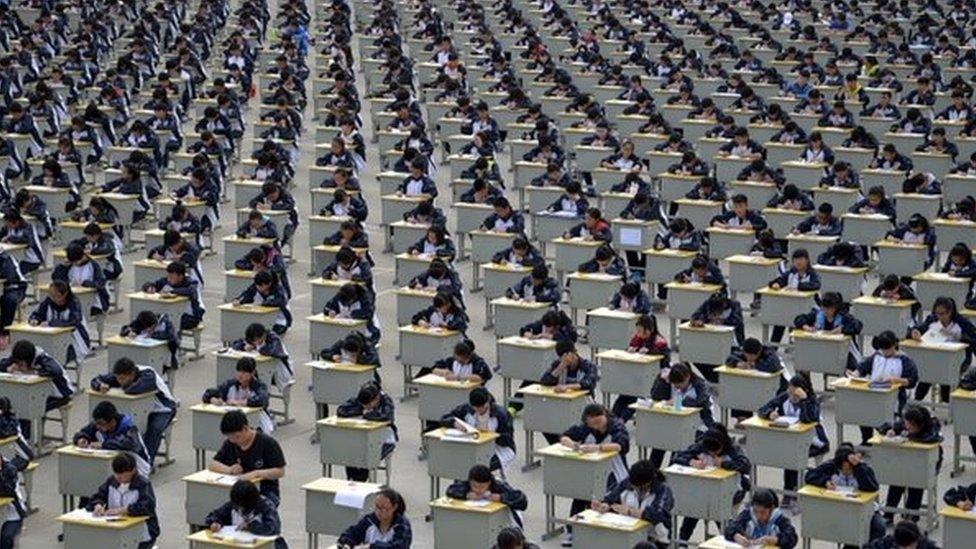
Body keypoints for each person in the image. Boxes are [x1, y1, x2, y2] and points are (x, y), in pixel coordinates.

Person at [559, 404, 630, 547]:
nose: (596, 427)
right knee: (580, 496)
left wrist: (597, 448)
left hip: (614, 471)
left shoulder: (617, 426)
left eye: (599, 422)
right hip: (591, 471)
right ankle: (573, 530)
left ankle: (610, 535)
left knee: (610, 502)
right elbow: (565, 435)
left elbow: (621, 445)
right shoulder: (586, 428)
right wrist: (572, 444)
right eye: (592, 424)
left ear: (604, 414)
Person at [91, 358, 177, 465]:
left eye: (123, 378)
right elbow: (96, 379)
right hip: (139, 407)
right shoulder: (120, 375)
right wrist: (99, 385)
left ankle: (147, 461)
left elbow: (135, 389)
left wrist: (118, 385)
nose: (120, 382)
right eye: (118, 379)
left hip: (163, 408)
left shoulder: (148, 373)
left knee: (154, 428)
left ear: (132, 374)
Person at [672, 425, 751, 541]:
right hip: (704, 490)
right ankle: (683, 540)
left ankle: (730, 539)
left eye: (716, 451)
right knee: (695, 507)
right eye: (710, 452)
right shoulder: (702, 445)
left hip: (730, 492)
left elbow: (745, 466)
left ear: (723, 444)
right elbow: (677, 457)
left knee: (713, 508)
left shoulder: (732, 449)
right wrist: (691, 461)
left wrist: (725, 464)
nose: (713, 454)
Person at [757, 375, 829, 500]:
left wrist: (804, 400)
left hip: (814, 441)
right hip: (791, 440)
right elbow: (762, 408)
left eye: (795, 395)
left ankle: (790, 492)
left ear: (803, 392)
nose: (791, 398)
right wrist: (770, 413)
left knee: (792, 456)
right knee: (790, 455)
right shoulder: (785, 397)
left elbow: (809, 419)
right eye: (790, 393)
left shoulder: (812, 401)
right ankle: (790, 491)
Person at [806, 443, 886, 546]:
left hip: (866, 509)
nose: (846, 472)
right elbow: (810, 475)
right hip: (840, 509)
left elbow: (873, 487)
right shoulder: (831, 466)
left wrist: (858, 467)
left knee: (879, 526)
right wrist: (825, 482)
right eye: (843, 470)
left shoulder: (863, 468)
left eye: (849, 469)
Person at [848, 331, 919, 444]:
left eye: (888, 349)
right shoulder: (877, 356)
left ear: (894, 345)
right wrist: (856, 373)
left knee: (891, 423)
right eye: (883, 349)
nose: (885, 352)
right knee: (864, 415)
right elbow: (863, 367)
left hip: (894, 397)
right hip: (873, 393)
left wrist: (897, 380)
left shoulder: (904, 360)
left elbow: (912, 380)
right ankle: (866, 439)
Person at [878, 404, 943, 521]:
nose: (906, 427)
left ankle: (912, 514)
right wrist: (890, 431)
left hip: (926, 464)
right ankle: (889, 513)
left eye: (910, 426)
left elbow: (931, 438)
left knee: (916, 482)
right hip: (906, 460)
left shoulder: (932, 427)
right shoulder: (906, 421)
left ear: (920, 425)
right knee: (897, 479)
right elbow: (884, 427)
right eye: (906, 424)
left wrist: (910, 437)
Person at [0, 340, 74, 440]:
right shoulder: (18, 356)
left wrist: (34, 371)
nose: (20, 365)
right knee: (19, 404)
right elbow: (3, 364)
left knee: (26, 408)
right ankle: (21, 437)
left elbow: (56, 370)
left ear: (29, 359)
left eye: (22, 363)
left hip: (60, 394)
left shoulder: (42, 357)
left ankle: (25, 439)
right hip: (37, 393)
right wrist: (7, 368)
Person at [208, 410, 286, 505]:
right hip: (237, 490)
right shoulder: (230, 443)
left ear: (245, 428)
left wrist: (256, 473)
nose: (233, 440)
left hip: (264, 491)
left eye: (237, 437)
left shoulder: (267, 443)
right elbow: (213, 464)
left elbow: (280, 471)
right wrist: (229, 469)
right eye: (229, 437)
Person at [591, 460, 674, 547]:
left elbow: (657, 514)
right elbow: (611, 497)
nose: (631, 486)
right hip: (628, 533)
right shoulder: (629, 481)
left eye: (635, 486)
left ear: (647, 483)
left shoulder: (663, 490)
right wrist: (605, 505)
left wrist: (630, 511)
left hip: (655, 539)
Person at [86, 453, 159, 549]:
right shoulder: (111, 482)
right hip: (115, 529)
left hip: (142, 533)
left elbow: (148, 505)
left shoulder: (142, 484)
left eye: (123, 475)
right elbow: (97, 496)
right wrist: (97, 505)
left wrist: (125, 510)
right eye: (116, 474)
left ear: (133, 471)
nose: (119, 478)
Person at [911, 296, 976, 402]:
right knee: (928, 371)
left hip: (956, 359)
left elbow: (973, 337)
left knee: (943, 373)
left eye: (942, 314)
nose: (939, 316)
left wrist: (956, 336)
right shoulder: (932, 319)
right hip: (934, 357)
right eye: (937, 313)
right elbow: (920, 329)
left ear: (950, 312)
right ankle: (917, 400)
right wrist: (915, 332)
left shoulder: (961, 322)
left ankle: (946, 401)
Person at [441, 387, 516, 472]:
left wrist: (492, 436)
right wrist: (453, 422)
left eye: (482, 407)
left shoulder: (501, 414)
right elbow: (444, 418)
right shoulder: (466, 409)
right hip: (473, 447)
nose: (479, 410)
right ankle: (462, 484)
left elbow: (508, 439)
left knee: (477, 469)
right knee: (461, 466)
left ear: (487, 402)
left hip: (498, 449)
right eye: (476, 408)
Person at [337, 382, 397, 482]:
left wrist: (367, 415)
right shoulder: (361, 399)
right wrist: (360, 411)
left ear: (377, 398)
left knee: (366, 454)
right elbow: (341, 411)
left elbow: (386, 417)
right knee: (350, 452)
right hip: (361, 438)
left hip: (384, 440)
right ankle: (352, 480)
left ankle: (361, 481)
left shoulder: (386, 401)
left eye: (369, 404)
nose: (366, 407)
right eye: (364, 405)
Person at [74, 401, 151, 477]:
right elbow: (83, 432)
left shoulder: (128, 427)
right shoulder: (99, 426)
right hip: (112, 464)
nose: (98, 427)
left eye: (101, 424)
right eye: (96, 423)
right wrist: (81, 439)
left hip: (138, 466)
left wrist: (103, 445)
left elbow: (130, 445)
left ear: (112, 421)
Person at [205, 480, 287, 549]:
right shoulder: (235, 504)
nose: (240, 508)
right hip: (236, 544)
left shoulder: (266, 506)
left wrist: (250, 526)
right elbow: (214, 515)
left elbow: (271, 528)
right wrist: (215, 522)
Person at [446, 464, 528, 528]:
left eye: (482, 487)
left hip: (504, 521)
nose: (478, 490)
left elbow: (522, 500)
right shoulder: (466, 483)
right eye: (474, 486)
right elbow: (450, 490)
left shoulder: (498, 484)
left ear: (489, 483)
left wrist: (501, 497)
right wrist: (466, 495)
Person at [28, 281, 90, 364]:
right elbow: (37, 314)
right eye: (51, 295)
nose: (52, 298)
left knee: (58, 357)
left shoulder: (74, 303)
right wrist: (35, 319)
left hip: (73, 340)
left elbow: (73, 321)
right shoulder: (48, 301)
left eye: (55, 295)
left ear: (64, 294)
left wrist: (51, 324)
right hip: (50, 338)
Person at [230, 323, 293, 397]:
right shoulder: (252, 338)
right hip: (261, 368)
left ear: (263, 335)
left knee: (260, 376)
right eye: (252, 341)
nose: (254, 342)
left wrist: (258, 348)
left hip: (280, 370)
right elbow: (235, 344)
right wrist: (244, 347)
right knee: (246, 373)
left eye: (256, 340)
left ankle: (261, 398)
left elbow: (274, 351)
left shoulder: (273, 338)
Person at [337, 488, 412, 548]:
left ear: (394, 507)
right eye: (376, 507)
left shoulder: (402, 525)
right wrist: (347, 543)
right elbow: (352, 533)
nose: (378, 512)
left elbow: (399, 546)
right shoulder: (369, 520)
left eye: (383, 508)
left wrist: (372, 547)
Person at [723, 488, 798, 549]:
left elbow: (792, 538)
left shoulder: (780, 519)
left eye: (763, 512)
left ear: (771, 509)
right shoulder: (747, 515)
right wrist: (736, 536)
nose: (759, 516)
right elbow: (730, 528)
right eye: (756, 511)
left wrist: (775, 540)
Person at [140, 261, 205, 330]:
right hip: (169, 313)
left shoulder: (191, 283)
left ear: (180, 276)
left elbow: (191, 291)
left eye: (172, 277)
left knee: (167, 324)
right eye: (168, 276)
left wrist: (172, 291)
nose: (169, 279)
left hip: (189, 316)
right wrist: (149, 288)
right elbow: (150, 284)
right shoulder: (166, 281)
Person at [233, 270, 292, 334]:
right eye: (257, 286)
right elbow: (248, 293)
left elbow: (281, 302)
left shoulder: (279, 290)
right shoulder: (257, 284)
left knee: (267, 334)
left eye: (261, 286)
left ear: (268, 284)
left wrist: (264, 303)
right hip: (262, 319)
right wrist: (239, 300)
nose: (258, 288)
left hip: (279, 320)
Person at [867, 521, 938, 548]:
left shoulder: (927, 546)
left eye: (911, 546)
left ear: (917, 539)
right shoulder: (888, 542)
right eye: (904, 548)